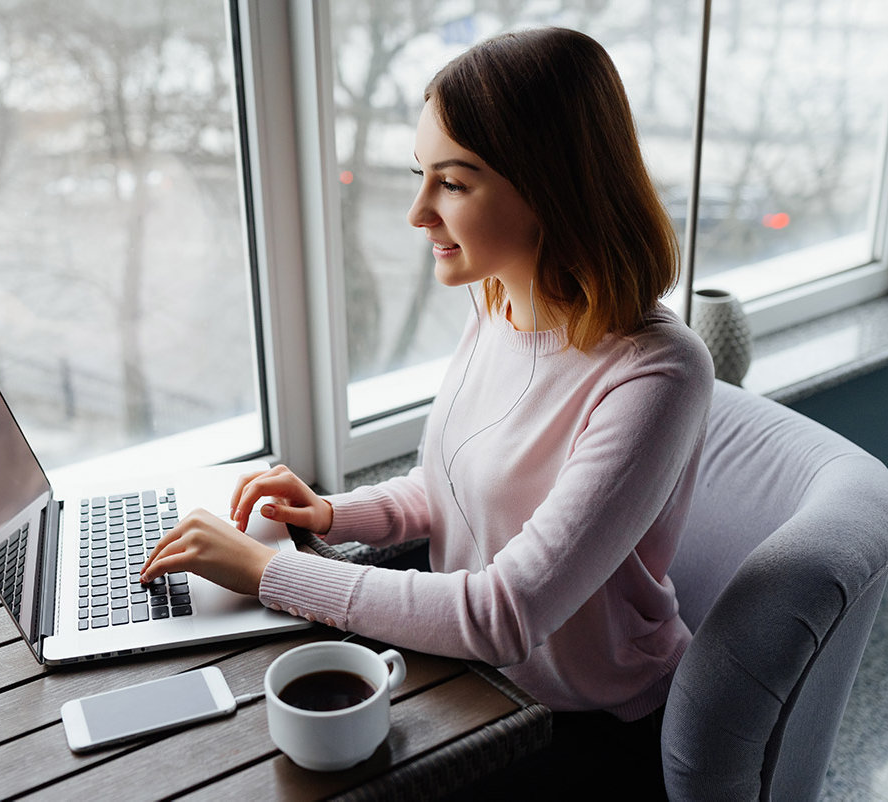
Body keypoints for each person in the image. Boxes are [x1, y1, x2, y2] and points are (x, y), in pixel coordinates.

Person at [140, 27, 713, 799]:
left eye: (453, 182)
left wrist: (268, 571)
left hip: (582, 726)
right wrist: (330, 514)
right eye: (421, 174)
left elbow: (503, 613)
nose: (416, 212)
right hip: (474, 679)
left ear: (552, 185)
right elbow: (446, 487)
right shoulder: (496, 303)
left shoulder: (657, 375)